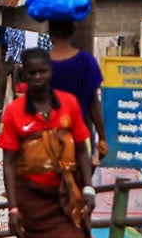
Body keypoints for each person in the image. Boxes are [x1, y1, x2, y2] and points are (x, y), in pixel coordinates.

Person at [0, 46, 94, 238]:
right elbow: (9, 162)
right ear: (24, 75)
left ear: (51, 72)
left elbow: (81, 148)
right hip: (32, 199)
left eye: (43, 71)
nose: (38, 77)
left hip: (66, 198)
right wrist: (13, 207)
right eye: (32, 73)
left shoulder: (69, 104)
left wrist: (88, 186)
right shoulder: (14, 112)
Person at [45, 18, 107, 162]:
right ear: (72, 32)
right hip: (81, 133)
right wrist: (102, 138)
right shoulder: (86, 61)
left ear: (50, 33)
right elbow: (93, 103)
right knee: (81, 180)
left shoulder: (42, 64)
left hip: (48, 134)